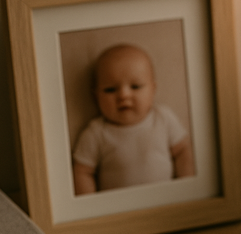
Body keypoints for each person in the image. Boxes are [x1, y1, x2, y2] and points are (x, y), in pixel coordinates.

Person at [72, 44, 195, 194]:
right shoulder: (96, 132)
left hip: (166, 200)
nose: (124, 95)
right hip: (120, 209)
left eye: (135, 87)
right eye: (110, 89)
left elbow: (183, 150)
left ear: (153, 90)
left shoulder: (163, 118)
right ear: (96, 95)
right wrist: (90, 208)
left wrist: (187, 186)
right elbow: (82, 171)